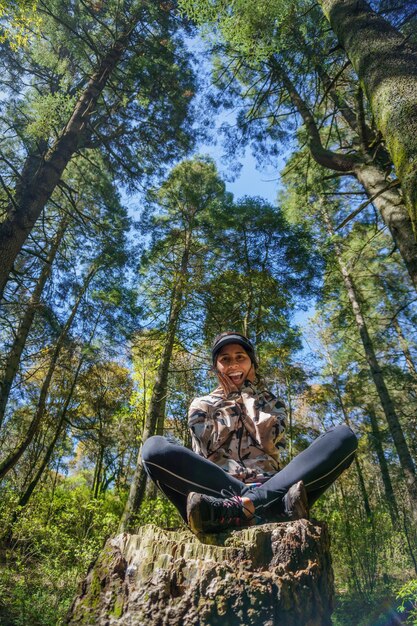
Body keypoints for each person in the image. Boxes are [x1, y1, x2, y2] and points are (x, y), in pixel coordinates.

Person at [142, 331, 358, 534]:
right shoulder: (201, 405)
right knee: (153, 449)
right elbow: (211, 445)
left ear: (251, 363)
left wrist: (246, 396)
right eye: (225, 359)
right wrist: (229, 401)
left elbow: (268, 439)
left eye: (240, 357)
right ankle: (255, 506)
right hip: (217, 491)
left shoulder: (271, 402)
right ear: (216, 368)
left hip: (275, 487)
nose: (234, 364)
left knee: (343, 437)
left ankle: (249, 504)